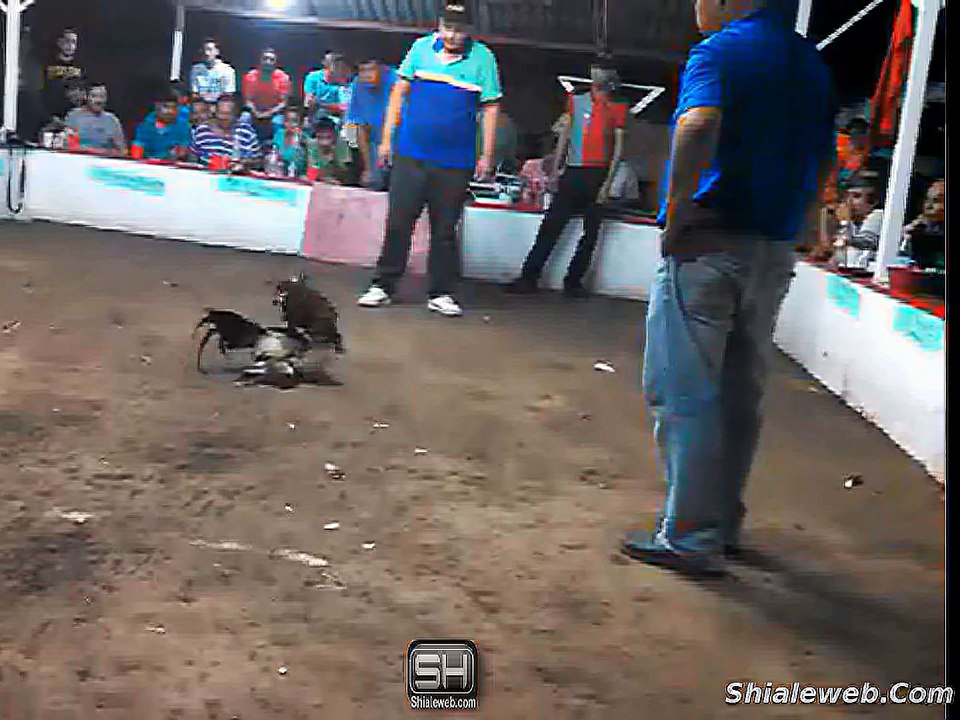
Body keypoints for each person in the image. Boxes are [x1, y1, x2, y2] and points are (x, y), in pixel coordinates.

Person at [619, 0, 838, 577]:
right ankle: (724, 522)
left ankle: (690, 536)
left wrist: (677, 210)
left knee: (684, 388)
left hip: (710, 243)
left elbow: (697, 123)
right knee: (743, 392)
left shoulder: (719, 51)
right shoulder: (811, 63)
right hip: (773, 248)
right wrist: (805, 218)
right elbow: (823, 157)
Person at [355, 1, 502, 318]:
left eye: (459, 29)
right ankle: (383, 284)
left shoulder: (483, 59)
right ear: (439, 26)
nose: (452, 34)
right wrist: (386, 139)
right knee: (398, 223)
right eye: (448, 27)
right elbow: (398, 92)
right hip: (410, 155)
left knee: (445, 230)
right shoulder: (420, 49)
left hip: (455, 162)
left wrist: (487, 154)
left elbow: (491, 108)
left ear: (469, 31)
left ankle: (441, 292)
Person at [507, 64, 629, 297]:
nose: (598, 75)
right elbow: (565, 134)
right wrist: (555, 170)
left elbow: (618, 149)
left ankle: (573, 282)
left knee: (590, 234)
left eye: (604, 72)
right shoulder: (577, 100)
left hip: (598, 173)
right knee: (551, 227)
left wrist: (606, 184)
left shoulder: (618, 107)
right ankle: (529, 277)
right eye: (596, 70)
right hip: (573, 171)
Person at [347, 59, 396, 190]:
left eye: (371, 69)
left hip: (400, 142)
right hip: (374, 143)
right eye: (362, 71)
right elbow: (359, 126)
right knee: (374, 182)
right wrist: (368, 167)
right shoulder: (357, 84)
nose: (366, 75)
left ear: (383, 69)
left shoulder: (397, 81)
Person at [190, 93, 260, 168]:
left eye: (228, 115)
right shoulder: (202, 130)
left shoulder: (247, 132)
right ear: (215, 112)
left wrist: (246, 164)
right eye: (221, 114)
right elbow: (192, 156)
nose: (224, 120)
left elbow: (257, 160)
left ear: (237, 115)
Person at [243, 48, 292, 143]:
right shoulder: (250, 76)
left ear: (276, 62)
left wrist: (268, 113)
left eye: (271, 59)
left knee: (277, 122)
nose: (268, 62)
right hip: (255, 112)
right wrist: (256, 112)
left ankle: (277, 150)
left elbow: (283, 103)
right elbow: (248, 100)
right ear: (260, 60)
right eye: (265, 58)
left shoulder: (283, 77)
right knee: (244, 119)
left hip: (275, 113)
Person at [64, 83, 126, 155]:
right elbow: (68, 146)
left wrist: (103, 153)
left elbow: (122, 151)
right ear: (86, 97)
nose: (99, 100)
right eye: (94, 96)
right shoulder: (74, 116)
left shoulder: (113, 120)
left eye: (102, 96)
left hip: (105, 163)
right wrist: (91, 151)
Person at [132, 90, 192, 160]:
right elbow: (136, 154)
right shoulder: (144, 125)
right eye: (166, 107)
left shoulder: (182, 126)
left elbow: (183, 153)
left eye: (174, 108)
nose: (170, 111)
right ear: (157, 106)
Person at [42, 28, 84, 121]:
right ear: (59, 42)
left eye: (73, 42)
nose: (70, 46)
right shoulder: (48, 64)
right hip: (50, 115)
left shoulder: (81, 65)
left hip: (73, 115)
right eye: (67, 41)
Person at [303, 51, 352, 128]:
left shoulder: (345, 82)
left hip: (337, 117)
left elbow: (344, 107)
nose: (339, 69)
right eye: (336, 65)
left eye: (341, 66)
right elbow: (309, 102)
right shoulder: (312, 77)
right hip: (316, 116)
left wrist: (320, 104)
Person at [305, 117, 355, 185]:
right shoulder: (312, 144)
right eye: (321, 136)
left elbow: (346, 175)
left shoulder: (342, 145)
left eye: (328, 136)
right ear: (316, 134)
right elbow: (311, 175)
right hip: (318, 183)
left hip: (338, 185)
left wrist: (334, 158)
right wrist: (325, 178)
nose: (324, 141)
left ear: (334, 134)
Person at [190, 38, 236, 104]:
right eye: (204, 50)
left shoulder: (227, 70)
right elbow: (194, 93)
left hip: (220, 107)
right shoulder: (195, 69)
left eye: (210, 50)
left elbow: (229, 94)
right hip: (202, 107)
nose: (206, 53)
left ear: (217, 51)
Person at [272, 104, 307, 177]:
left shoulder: (303, 138)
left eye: (294, 121)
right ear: (284, 122)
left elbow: (302, 164)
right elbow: (274, 154)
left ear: (300, 124)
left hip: (298, 175)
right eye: (288, 121)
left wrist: (298, 141)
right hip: (280, 172)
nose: (291, 124)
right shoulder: (279, 134)